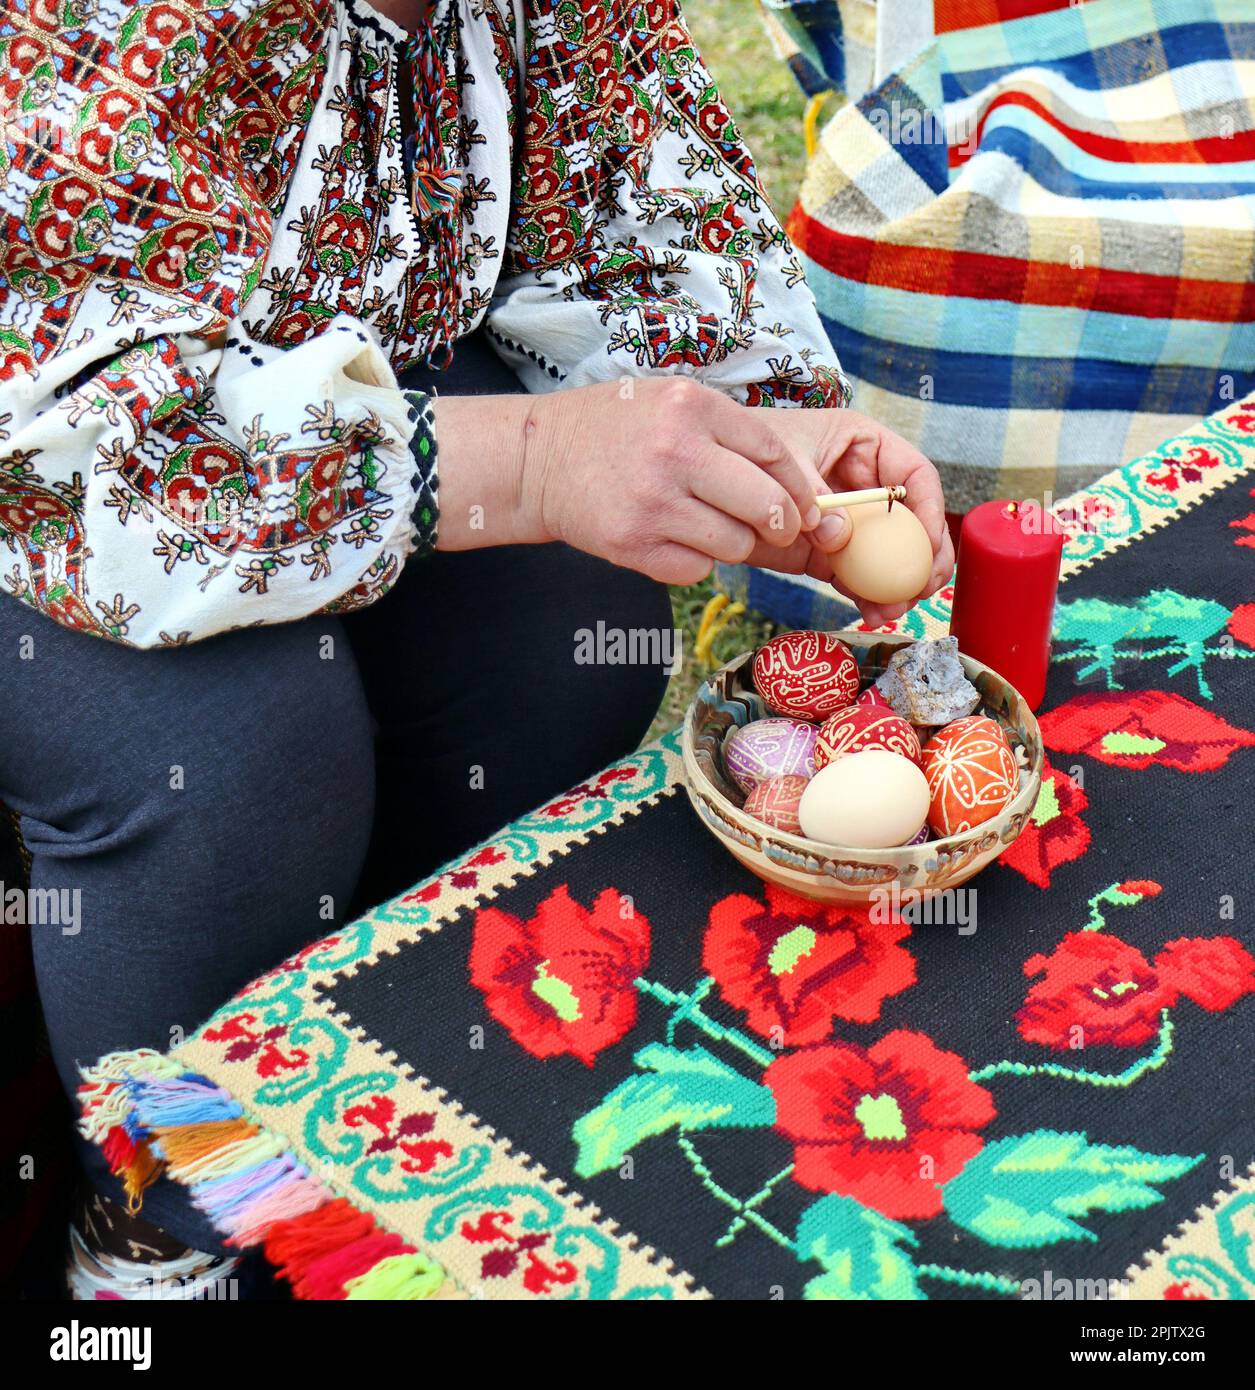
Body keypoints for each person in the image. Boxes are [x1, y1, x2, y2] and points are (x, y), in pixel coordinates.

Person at [0, 0, 951, 1296]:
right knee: (238, 759)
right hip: (60, 456)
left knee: (566, 638)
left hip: (308, 396)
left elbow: (632, 208)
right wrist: (540, 460)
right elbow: (93, 441)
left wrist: (763, 440)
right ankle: (169, 1229)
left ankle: (387, 1083)